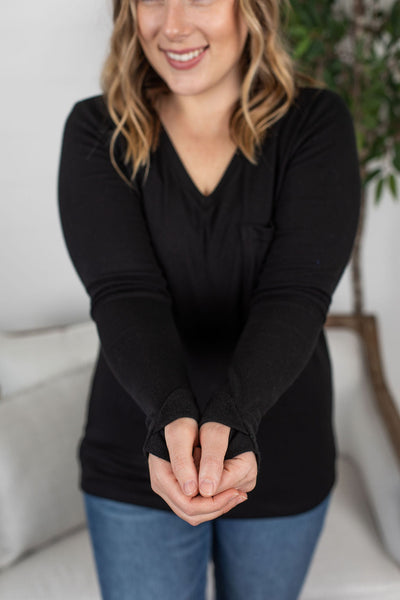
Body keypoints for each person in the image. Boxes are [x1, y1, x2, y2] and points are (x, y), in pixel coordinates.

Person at [57, 0, 361, 597]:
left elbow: (296, 293)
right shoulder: (98, 129)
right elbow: (124, 293)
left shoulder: (315, 123)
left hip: (282, 446)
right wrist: (168, 416)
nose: (173, 26)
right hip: (139, 450)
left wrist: (236, 419)